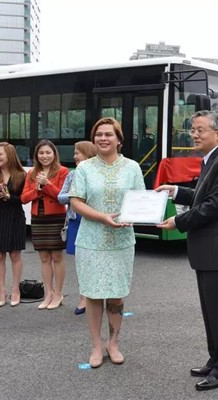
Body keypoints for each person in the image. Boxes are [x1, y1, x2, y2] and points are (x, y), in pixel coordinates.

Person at [157, 110, 218, 391]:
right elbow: (201, 197)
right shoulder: (211, 161)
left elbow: (212, 207)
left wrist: (177, 221)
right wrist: (176, 191)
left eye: (200, 130)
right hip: (208, 252)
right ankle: (215, 359)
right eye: (192, 129)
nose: (194, 134)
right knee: (211, 311)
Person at [69, 118, 145, 368]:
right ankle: (96, 345)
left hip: (122, 240)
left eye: (108, 134)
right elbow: (76, 202)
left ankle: (113, 343)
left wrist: (137, 215)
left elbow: (140, 200)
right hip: (91, 240)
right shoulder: (84, 169)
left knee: (116, 294)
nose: (103, 138)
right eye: (98, 134)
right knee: (92, 294)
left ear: (119, 139)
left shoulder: (132, 167)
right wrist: (102, 217)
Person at [21, 140, 69, 310]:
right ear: (36, 156)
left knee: (57, 256)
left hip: (56, 217)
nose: (45, 156)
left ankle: (58, 293)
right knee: (44, 257)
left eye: (48, 152)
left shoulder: (63, 171)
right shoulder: (32, 173)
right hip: (38, 218)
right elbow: (24, 198)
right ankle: (48, 293)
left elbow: (62, 196)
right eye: (41, 153)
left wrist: (47, 184)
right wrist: (38, 187)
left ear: (54, 154)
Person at [0, 142, 27, 307]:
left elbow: (23, 199)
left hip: (15, 217)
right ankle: (1, 291)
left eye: (0, 154)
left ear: (9, 155)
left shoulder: (21, 175)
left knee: (15, 255)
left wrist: (9, 196)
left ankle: (16, 290)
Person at [58, 140, 97, 315]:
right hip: (75, 220)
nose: (74, 156)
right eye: (74, 153)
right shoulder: (72, 175)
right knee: (80, 262)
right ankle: (83, 298)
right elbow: (60, 197)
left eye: (77, 153)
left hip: (94, 220)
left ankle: (95, 296)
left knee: (94, 260)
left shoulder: (98, 173)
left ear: (88, 154)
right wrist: (77, 196)